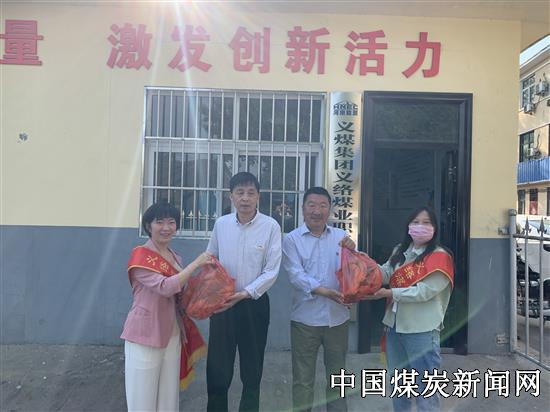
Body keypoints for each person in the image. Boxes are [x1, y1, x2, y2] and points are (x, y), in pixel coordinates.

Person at [121, 201, 213, 412]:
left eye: (171, 222)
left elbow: (182, 291)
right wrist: (196, 264)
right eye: (159, 222)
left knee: (168, 400)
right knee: (142, 401)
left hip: (173, 333)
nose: (166, 227)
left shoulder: (175, 256)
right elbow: (166, 287)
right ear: (148, 225)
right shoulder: (141, 257)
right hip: (144, 335)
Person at [206, 171, 282, 412]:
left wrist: (245, 293)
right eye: (240, 192)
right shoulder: (221, 224)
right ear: (231, 196)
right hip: (223, 304)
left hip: (254, 305)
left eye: (250, 193)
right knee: (218, 367)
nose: (245, 198)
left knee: (252, 368)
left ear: (258, 196)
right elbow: (211, 260)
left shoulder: (271, 226)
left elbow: (271, 271)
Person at [367, 206, 454, 412]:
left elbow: (424, 292)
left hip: (421, 331)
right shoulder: (400, 250)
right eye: (415, 222)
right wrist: (363, 262)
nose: (420, 226)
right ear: (408, 226)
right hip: (394, 328)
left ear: (434, 228)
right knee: (400, 385)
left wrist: (390, 293)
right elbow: (386, 273)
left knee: (426, 389)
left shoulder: (440, 257)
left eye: (426, 222)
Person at [282, 186, 355, 412]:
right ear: (303, 208)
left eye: (323, 205)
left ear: (329, 209)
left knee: (338, 377)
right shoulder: (292, 239)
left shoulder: (341, 237)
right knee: (303, 380)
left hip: (338, 319)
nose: (317, 211)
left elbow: (353, 271)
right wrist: (326, 292)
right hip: (305, 321)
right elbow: (296, 276)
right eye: (312, 205)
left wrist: (354, 252)